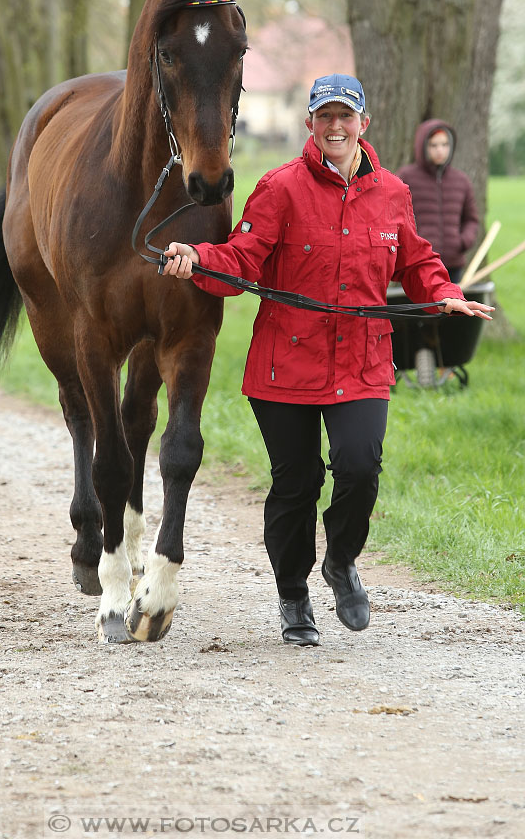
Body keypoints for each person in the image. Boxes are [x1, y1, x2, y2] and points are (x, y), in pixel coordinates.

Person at [161, 74, 493, 647]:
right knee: (297, 482)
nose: (335, 126)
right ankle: (293, 595)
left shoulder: (392, 193)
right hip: (284, 366)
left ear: (364, 123)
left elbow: (414, 259)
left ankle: (341, 561)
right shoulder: (280, 188)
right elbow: (244, 257)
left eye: (346, 116)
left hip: (362, 362)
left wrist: (442, 291)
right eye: (324, 116)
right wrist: (199, 257)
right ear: (309, 125)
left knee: (360, 468)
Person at [397, 120, 479, 284]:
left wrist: (463, 241)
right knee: (421, 310)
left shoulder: (461, 181)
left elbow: (471, 219)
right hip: (419, 264)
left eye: (444, 144)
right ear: (423, 146)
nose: (440, 150)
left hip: (453, 266)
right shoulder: (405, 177)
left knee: (452, 310)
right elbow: (393, 217)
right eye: (433, 145)